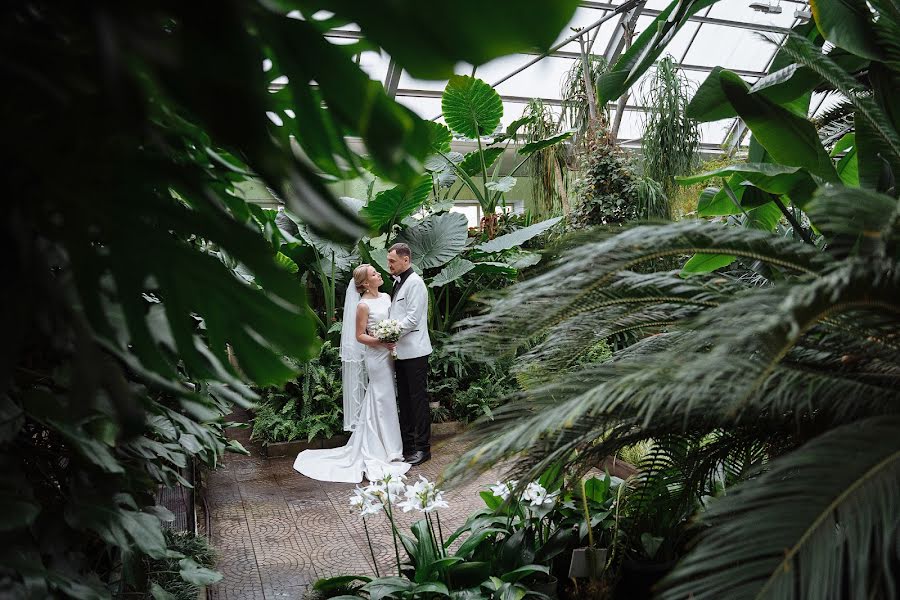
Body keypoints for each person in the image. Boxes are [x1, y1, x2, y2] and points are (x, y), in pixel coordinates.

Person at [292, 264, 410, 483]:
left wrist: (392, 338)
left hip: (389, 354)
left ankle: (390, 446)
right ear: (365, 283)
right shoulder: (363, 305)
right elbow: (359, 336)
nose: (378, 275)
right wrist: (381, 341)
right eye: (374, 274)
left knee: (385, 400)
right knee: (381, 398)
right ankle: (386, 450)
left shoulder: (386, 297)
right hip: (376, 356)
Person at [387, 243, 433, 466]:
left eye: (392, 261)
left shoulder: (416, 284)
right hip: (400, 353)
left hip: (415, 351)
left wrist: (389, 333)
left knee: (418, 401)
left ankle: (424, 449)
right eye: (389, 261)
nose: (389, 265)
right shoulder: (398, 283)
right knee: (404, 401)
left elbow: (413, 319)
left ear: (406, 260)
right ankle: (409, 446)